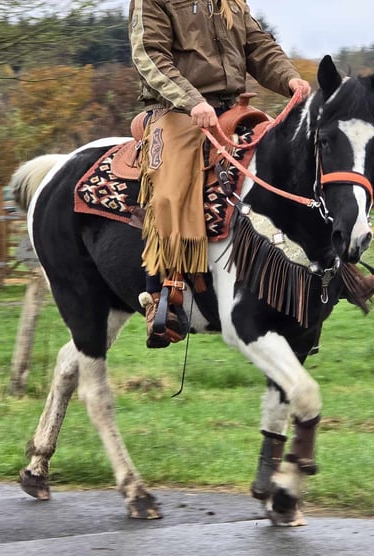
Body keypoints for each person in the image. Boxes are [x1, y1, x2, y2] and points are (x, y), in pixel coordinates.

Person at [128, 0, 312, 348]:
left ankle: (328, 266)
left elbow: (258, 44)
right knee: (169, 193)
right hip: (180, 110)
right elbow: (149, 55)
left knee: (292, 161)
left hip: (234, 105)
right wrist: (191, 100)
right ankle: (161, 294)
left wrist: (289, 77)